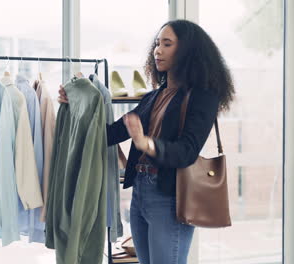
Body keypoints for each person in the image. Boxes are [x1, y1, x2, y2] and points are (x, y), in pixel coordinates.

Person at [58, 19, 235, 264]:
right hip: (141, 191)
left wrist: (146, 143)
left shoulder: (203, 96)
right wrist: (76, 103)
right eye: (157, 44)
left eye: (167, 44)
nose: (157, 51)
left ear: (187, 51)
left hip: (170, 197)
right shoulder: (154, 96)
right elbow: (109, 134)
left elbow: (187, 151)